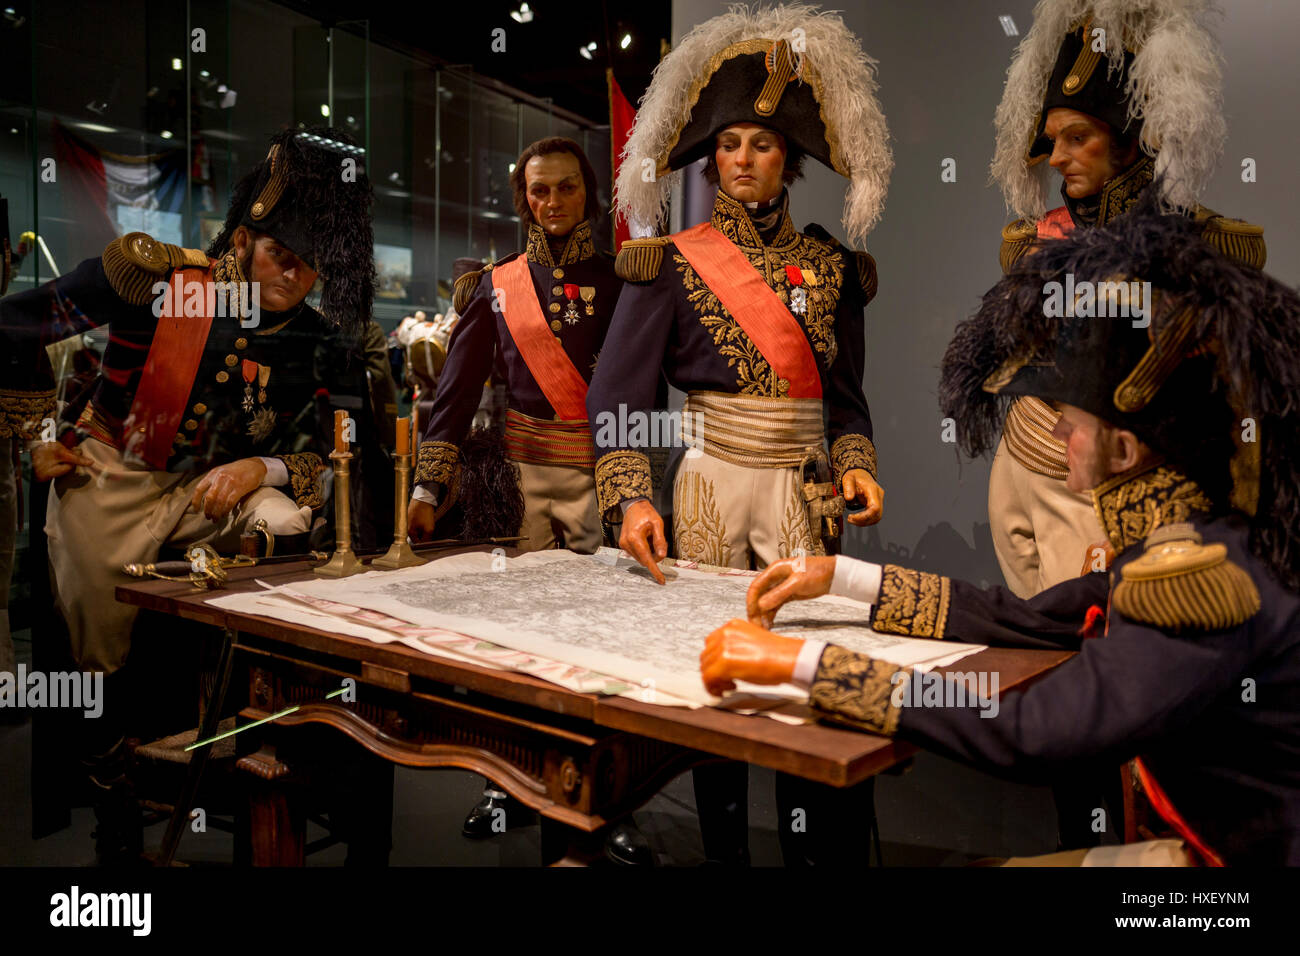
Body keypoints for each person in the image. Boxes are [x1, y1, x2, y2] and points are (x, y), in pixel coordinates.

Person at [701, 207, 1300, 866]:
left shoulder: (1195, 576)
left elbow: (1033, 731)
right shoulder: (1191, 534)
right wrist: (840, 579)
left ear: (1124, 451)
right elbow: (1026, 616)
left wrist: (804, 666)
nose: (1056, 435)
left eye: (1071, 422)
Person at [587, 5, 891, 864]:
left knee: (806, 689)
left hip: (804, 487)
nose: (743, 160)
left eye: (760, 144)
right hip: (711, 484)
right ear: (710, 157)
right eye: (728, 145)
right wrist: (630, 500)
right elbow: (616, 398)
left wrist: (859, 466)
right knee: (718, 689)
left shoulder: (834, 269)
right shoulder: (670, 262)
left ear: (788, 161)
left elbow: (846, 403)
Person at [986, 0, 1265, 600]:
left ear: (1132, 142)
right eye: (1053, 139)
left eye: (1077, 138)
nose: (1056, 158)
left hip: (1108, 486)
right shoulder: (1028, 243)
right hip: (1020, 467)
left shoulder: (1205, 246)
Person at [406, 137, 636, 858]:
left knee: (603, 647)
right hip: (522, 482)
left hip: (602, 478)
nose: (554, 202)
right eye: (539, 191)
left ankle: (604, 794)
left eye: (567, 188)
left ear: (588, 194)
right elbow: (455, 395)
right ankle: (509, 784)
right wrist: (428, 484)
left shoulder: (624, 278)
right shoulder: (494, 284)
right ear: (523, 196)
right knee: (519, 648)